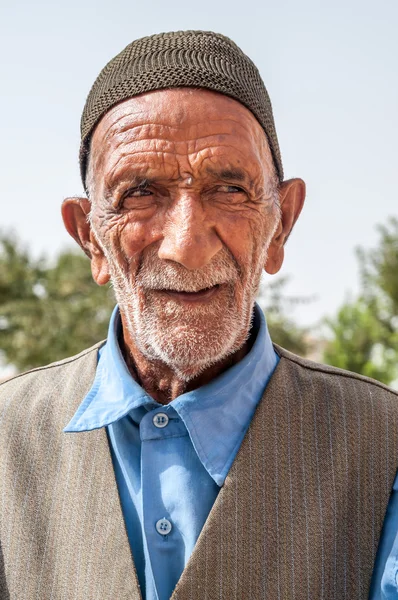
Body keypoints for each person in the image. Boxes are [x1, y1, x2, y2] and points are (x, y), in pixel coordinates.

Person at [0, 30, 397, 600]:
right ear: (90, 238)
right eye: (140, 192)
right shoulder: (6, 440)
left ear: (281, 224)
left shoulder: (386, 447)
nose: (186, 246)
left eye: (230, 189)